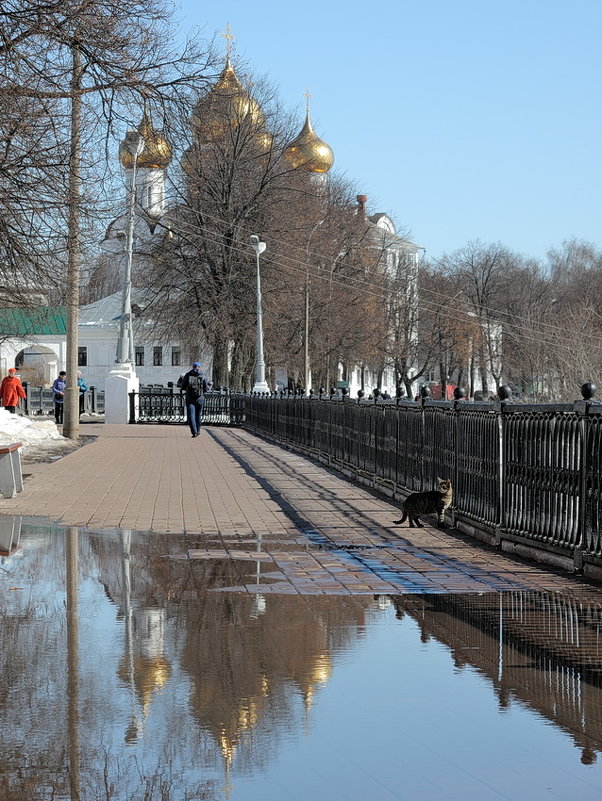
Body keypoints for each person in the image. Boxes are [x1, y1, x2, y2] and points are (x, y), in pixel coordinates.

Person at [180, 361, 209, 438]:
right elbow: (206, 388)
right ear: (199, 367)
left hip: (190, 398)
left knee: (191, 415)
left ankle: (194, 432)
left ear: (193, 367)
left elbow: (182, 386)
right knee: (198, 415)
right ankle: (198, 430)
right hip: (200, 398)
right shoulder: (203, 375)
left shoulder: (188, 374)